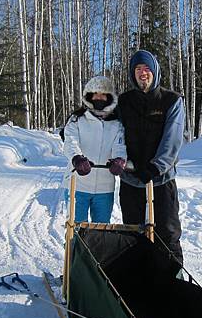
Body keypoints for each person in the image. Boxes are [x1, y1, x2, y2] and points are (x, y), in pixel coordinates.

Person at [117, 50, 185, 266]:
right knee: (133, 233)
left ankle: (174, 282)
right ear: (132, 74)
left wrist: (156, 168)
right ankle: (138, 281)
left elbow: (172, 139)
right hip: (131, 179)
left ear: (155, 72)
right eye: (138, 69)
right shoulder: (123, 101)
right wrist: (75, 123)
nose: (143, 73)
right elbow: (107, 127)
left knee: (167, 233)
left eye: (147, 69)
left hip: (161, 180)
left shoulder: (171, 100)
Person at [62, 76, 127, 223]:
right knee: (76, 230)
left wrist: (119, 160)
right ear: (89, 96)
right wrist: (77, 158)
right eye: (95, 94)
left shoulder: (117, 123)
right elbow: (70, 142)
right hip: (77, 184)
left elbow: (120, 145)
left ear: (109, 97)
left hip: (105, 188)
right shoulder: (77, 119)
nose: (99, 97)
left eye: (103, 94)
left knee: (101, 231)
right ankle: (74, 247)